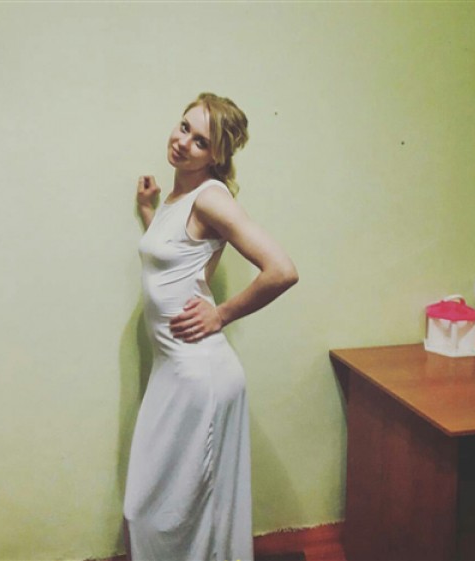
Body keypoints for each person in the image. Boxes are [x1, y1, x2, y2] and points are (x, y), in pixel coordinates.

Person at [123, 93, 298, 561]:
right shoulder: (180, 197)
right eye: (184, 127)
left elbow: (282, 270)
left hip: (200, 375)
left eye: (200, 141)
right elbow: (177, 253)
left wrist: (221, 313)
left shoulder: (212, 199)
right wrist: (150, 210)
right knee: (151, 507)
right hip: (172, 371)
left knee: (182, 510)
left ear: (216, 156)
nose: (183, 142)